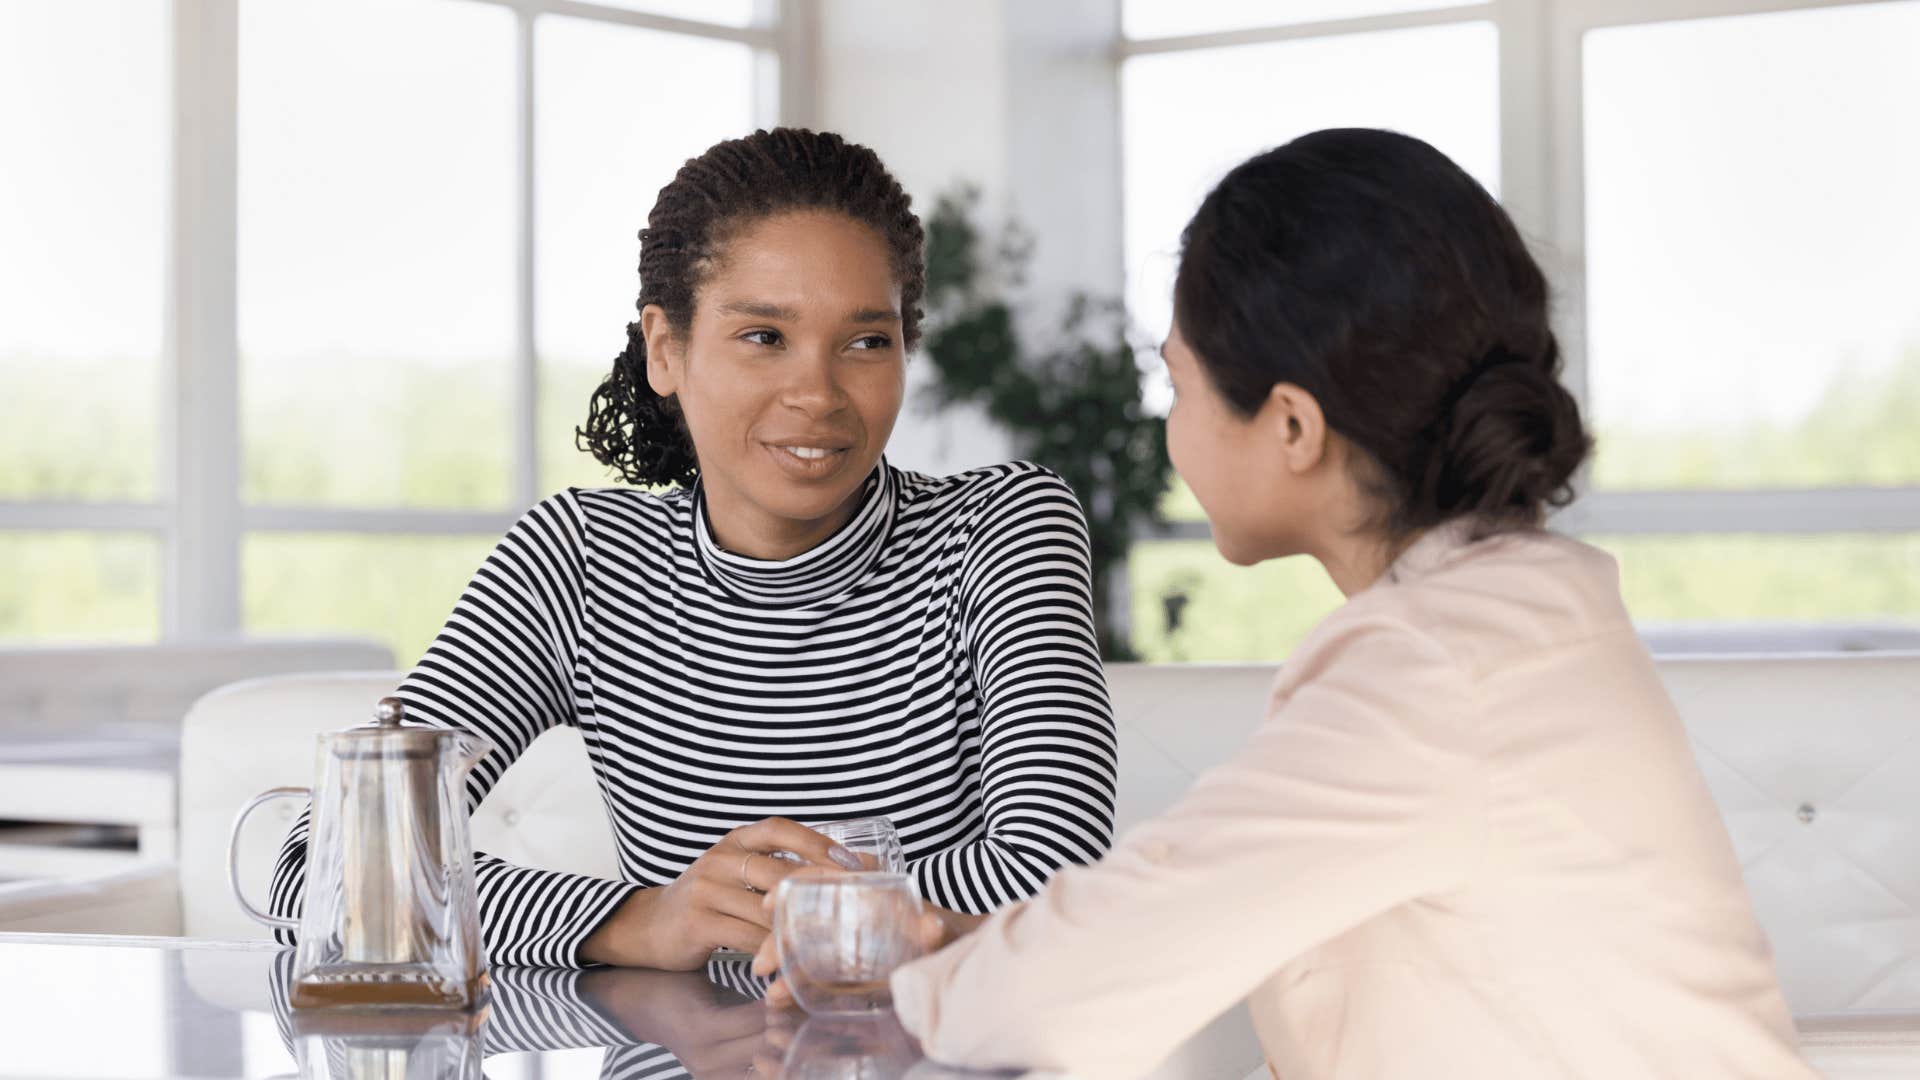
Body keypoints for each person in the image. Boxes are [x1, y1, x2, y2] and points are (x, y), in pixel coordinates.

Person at [887, 128, 1814, 1079]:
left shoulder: (1433, 668)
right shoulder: (1509, 616)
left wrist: (882, 964)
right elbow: (1168, 929)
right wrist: (982, 943)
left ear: (1291, 425)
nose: (1171, 426)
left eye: (1180, 383)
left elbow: (1052, 1001)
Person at [267, 128, 1118, 971]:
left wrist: (750, 911)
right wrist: (642, 920)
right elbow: (329, 869)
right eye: (764, 337)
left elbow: (1055, 876)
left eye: (866, 342)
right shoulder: (581, 561)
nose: (818, 394)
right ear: (667, 350)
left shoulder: (1003, 528)